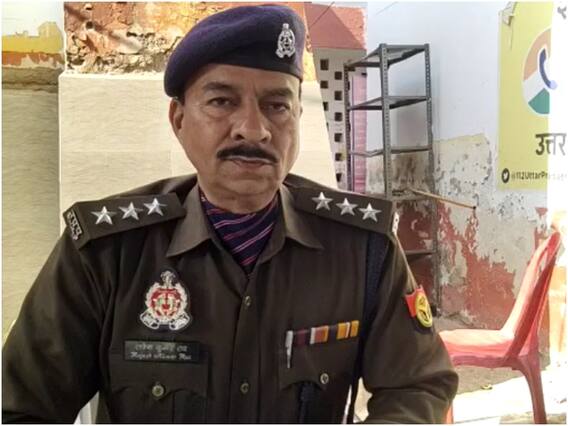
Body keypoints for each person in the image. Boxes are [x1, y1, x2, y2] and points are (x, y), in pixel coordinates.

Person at [2, 4, 458, 423]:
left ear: (297, 120)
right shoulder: (105, 253)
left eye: (277, 105)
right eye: (222, 101)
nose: (254, 130)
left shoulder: (363, 249)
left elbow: (418, 384)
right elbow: (20, 408)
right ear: (179, 120)